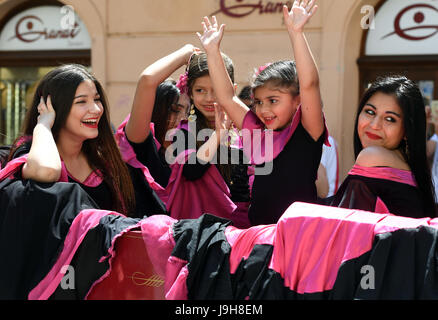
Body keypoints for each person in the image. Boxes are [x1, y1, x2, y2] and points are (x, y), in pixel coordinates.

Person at [198, 0, 327, 225]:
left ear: (298, 100)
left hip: (297, 238)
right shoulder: (257, 131)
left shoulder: (308, 130)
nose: (263, 109)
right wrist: (212, 51)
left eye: (273, 100)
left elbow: (310, 85)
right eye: (258, 102)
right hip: (258, 236)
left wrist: (296, 33)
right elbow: (227, 98)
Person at [5, 64, 166, 218]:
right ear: (52, 107)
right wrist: (43, 125)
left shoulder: (105, 160)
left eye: (97, 99)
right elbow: (46, 171)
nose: (96, 109)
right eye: (81, 101)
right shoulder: (33, 153)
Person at [330, 75, 436, 218]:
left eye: (390, 119)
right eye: (370, 112)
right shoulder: (409, 170)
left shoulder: (372, 157)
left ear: (407, 130)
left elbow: (344, 228)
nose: (374, 125)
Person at [167, 51, 251, 227]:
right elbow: (191, 171)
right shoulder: (183, 130)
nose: (208, 98)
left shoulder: (245, 127)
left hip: (243, 226)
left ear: (232, 90)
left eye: (216, 90)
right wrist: (218, 135)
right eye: (200, 90)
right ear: (189, 92)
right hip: (204, 229)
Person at [117, 45, 196, 189]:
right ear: (154, 108)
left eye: (187, 112)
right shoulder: (141, 141)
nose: (183, 118)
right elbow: (147, 80)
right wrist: (186, 54)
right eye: (174, 110)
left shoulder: (188, 147)